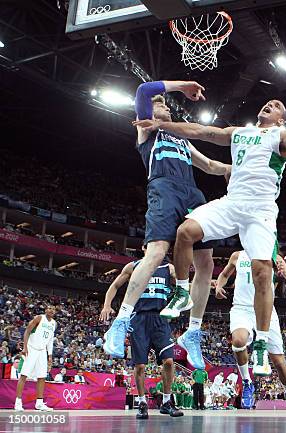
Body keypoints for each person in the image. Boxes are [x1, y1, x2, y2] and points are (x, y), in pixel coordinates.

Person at [133, 90, 286, 376]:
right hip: (232, 202)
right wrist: (161, 125)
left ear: (281, 120)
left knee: (262, 271)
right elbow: (200, 130)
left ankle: (262, 344)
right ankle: (182, 292)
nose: (270, 103)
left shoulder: (280, 136)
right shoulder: (240, 132)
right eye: (268, 101)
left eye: (277, 105)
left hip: (261, 209)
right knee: (185, 231)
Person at [104, 80, 230, 372]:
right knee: (158, 251)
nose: (161, 103)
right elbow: (143, 91)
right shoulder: (147, 129)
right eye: (158, 102)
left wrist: (236, 169)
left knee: (207, 264)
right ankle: (121, 320)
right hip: (163, 189)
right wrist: (182, 86)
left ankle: (193, 332)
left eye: (164, 102)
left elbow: (211, 165)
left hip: (192, 192)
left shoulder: (183, 140)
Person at [215, 251, 286, 418]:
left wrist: (285, 271)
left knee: (278, 361)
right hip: (241, 308)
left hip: (266, 310)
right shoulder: (237, 256)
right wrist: (219, 285)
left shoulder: (273, 256)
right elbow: (224, 274)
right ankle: (247, 382)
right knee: (238, 341)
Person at [100, 254, 182, 418]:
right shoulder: (133, 266)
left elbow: (184, 284)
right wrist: (106, 305)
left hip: (160, 318)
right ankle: (142, 403)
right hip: (138, 319)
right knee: (140, 366)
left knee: (169, 361)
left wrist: (207, 283)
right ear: (145, 248)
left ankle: (166, 402)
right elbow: (115, 285)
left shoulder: (168, 268)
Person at [14, 305, 57, 411]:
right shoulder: (39, 318)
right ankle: (18, 402)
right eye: (49, 308)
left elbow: (50, 340)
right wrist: (24, 347)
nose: (51, 310)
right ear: (46, 310)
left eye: (53, 309)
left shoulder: (54, 323)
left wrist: (50, 355)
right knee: (24, 375)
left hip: (42, 351)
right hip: (31, 348)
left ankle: (39, 403)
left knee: (42, 377)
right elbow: (27, 331)